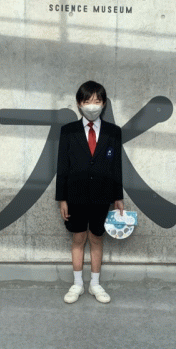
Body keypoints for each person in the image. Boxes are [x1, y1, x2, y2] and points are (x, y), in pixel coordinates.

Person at [56, 81, 124, 304]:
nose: (92, 106)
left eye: (97, 101)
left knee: (96, 237)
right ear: (79, 103)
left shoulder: (114, 132)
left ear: (103, 104)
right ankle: (77, 284)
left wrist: (118, 197)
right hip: (75, 195)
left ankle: (95, 284)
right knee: (78, 238)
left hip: (102, 194)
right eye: (87, 101)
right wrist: (62, 199)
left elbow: (116, 167)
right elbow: (62, 166)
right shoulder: (68, 131)